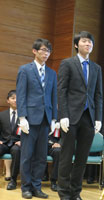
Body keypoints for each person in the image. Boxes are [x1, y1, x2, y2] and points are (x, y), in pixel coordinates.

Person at [57, 31, 103, 200]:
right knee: (66, 156)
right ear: (76, 45)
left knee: (82, 158)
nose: (88, 44)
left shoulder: (96, 68)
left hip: (89, 117)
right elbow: (61, 90)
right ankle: (63, 193)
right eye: (84, 41)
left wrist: (98, 117)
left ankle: (75, 192)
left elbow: (98, 95)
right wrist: (63, 114)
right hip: (70, 116)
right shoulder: (67, 63)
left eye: (90, 42)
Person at [17, 38, 58, 199]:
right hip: (29, 119)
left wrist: (54, 118)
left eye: (48, 51)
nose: (45, 54)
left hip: (46, 119)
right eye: (42, 50)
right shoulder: (25, 70)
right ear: (34, 51)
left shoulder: (52, 73)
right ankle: (26, 187)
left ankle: (37, 186)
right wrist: (22, 117)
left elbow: (54, 96)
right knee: (27, 155)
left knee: (41, 156)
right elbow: (21, 95)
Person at [0, 90, 21, 190]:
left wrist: (22, 141)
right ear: (8, 100)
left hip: (17, 143)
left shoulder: (24, 116)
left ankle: (13, 180)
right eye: (13, 98)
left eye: (17, 98)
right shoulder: (2, 115)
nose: (15, 100)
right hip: (3, 143)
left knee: (17, 151)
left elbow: (28, 132)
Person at [47, 122, 61, 192]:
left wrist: (60, 143)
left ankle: (54, 181)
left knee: (58, 152)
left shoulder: (66, 115)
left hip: (58, 146)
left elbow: (69, 134)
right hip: (45, 144)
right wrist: (52, 143)